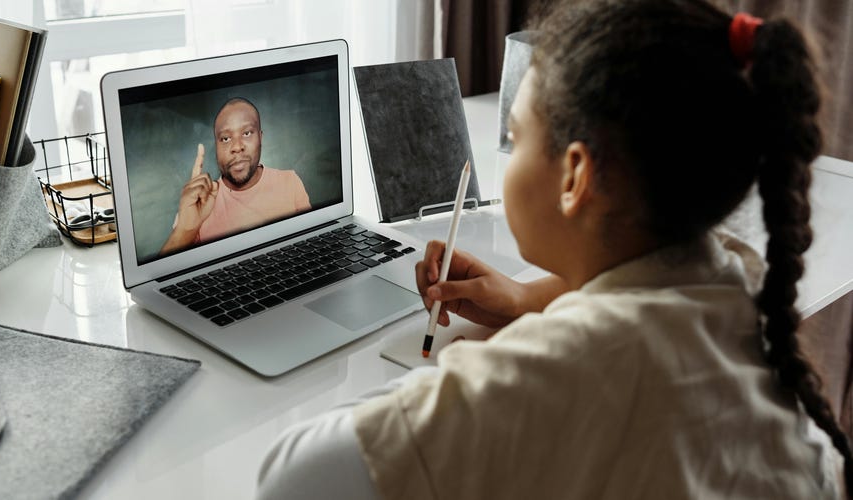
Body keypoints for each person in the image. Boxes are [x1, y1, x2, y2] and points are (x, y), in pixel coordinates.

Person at [256, 0, 851, 498]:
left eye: (515, 135)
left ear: (574, 177)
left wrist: (463, 378)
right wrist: (525, 300)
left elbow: (290, 480)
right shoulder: (737, 295)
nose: (507, 153)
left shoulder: (545, 380)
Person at [160, 97, 311, 255]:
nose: (237, 147)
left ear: (261, 138)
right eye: (225, 138)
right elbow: (162, 275)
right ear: (216, 146)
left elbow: (310, 246)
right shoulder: (199, 202)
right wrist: (185, 229)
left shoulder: (290, 182)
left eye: (246, 133)